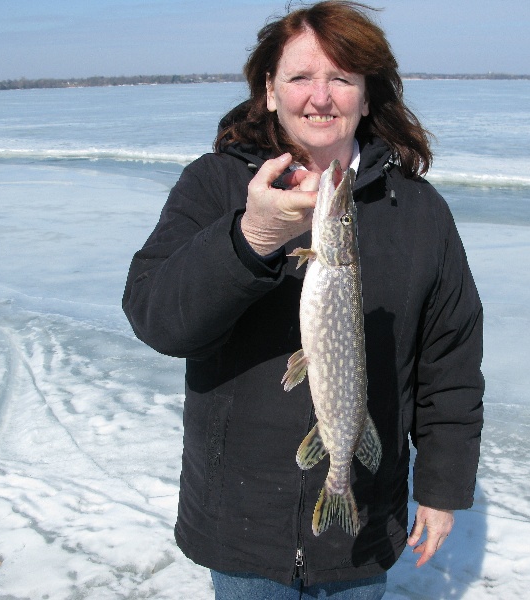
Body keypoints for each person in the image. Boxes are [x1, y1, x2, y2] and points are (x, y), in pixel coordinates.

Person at [122, 2, 484, 598]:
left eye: (342, 78)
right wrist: (251, 237)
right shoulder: (215, 186)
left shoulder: (418, 211)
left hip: (364, 526)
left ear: (367, 96)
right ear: (269, 91)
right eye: (299, 78)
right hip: (244, 527)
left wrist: (442, 489)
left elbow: (451, 361)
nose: (321, 96)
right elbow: (158, 319)